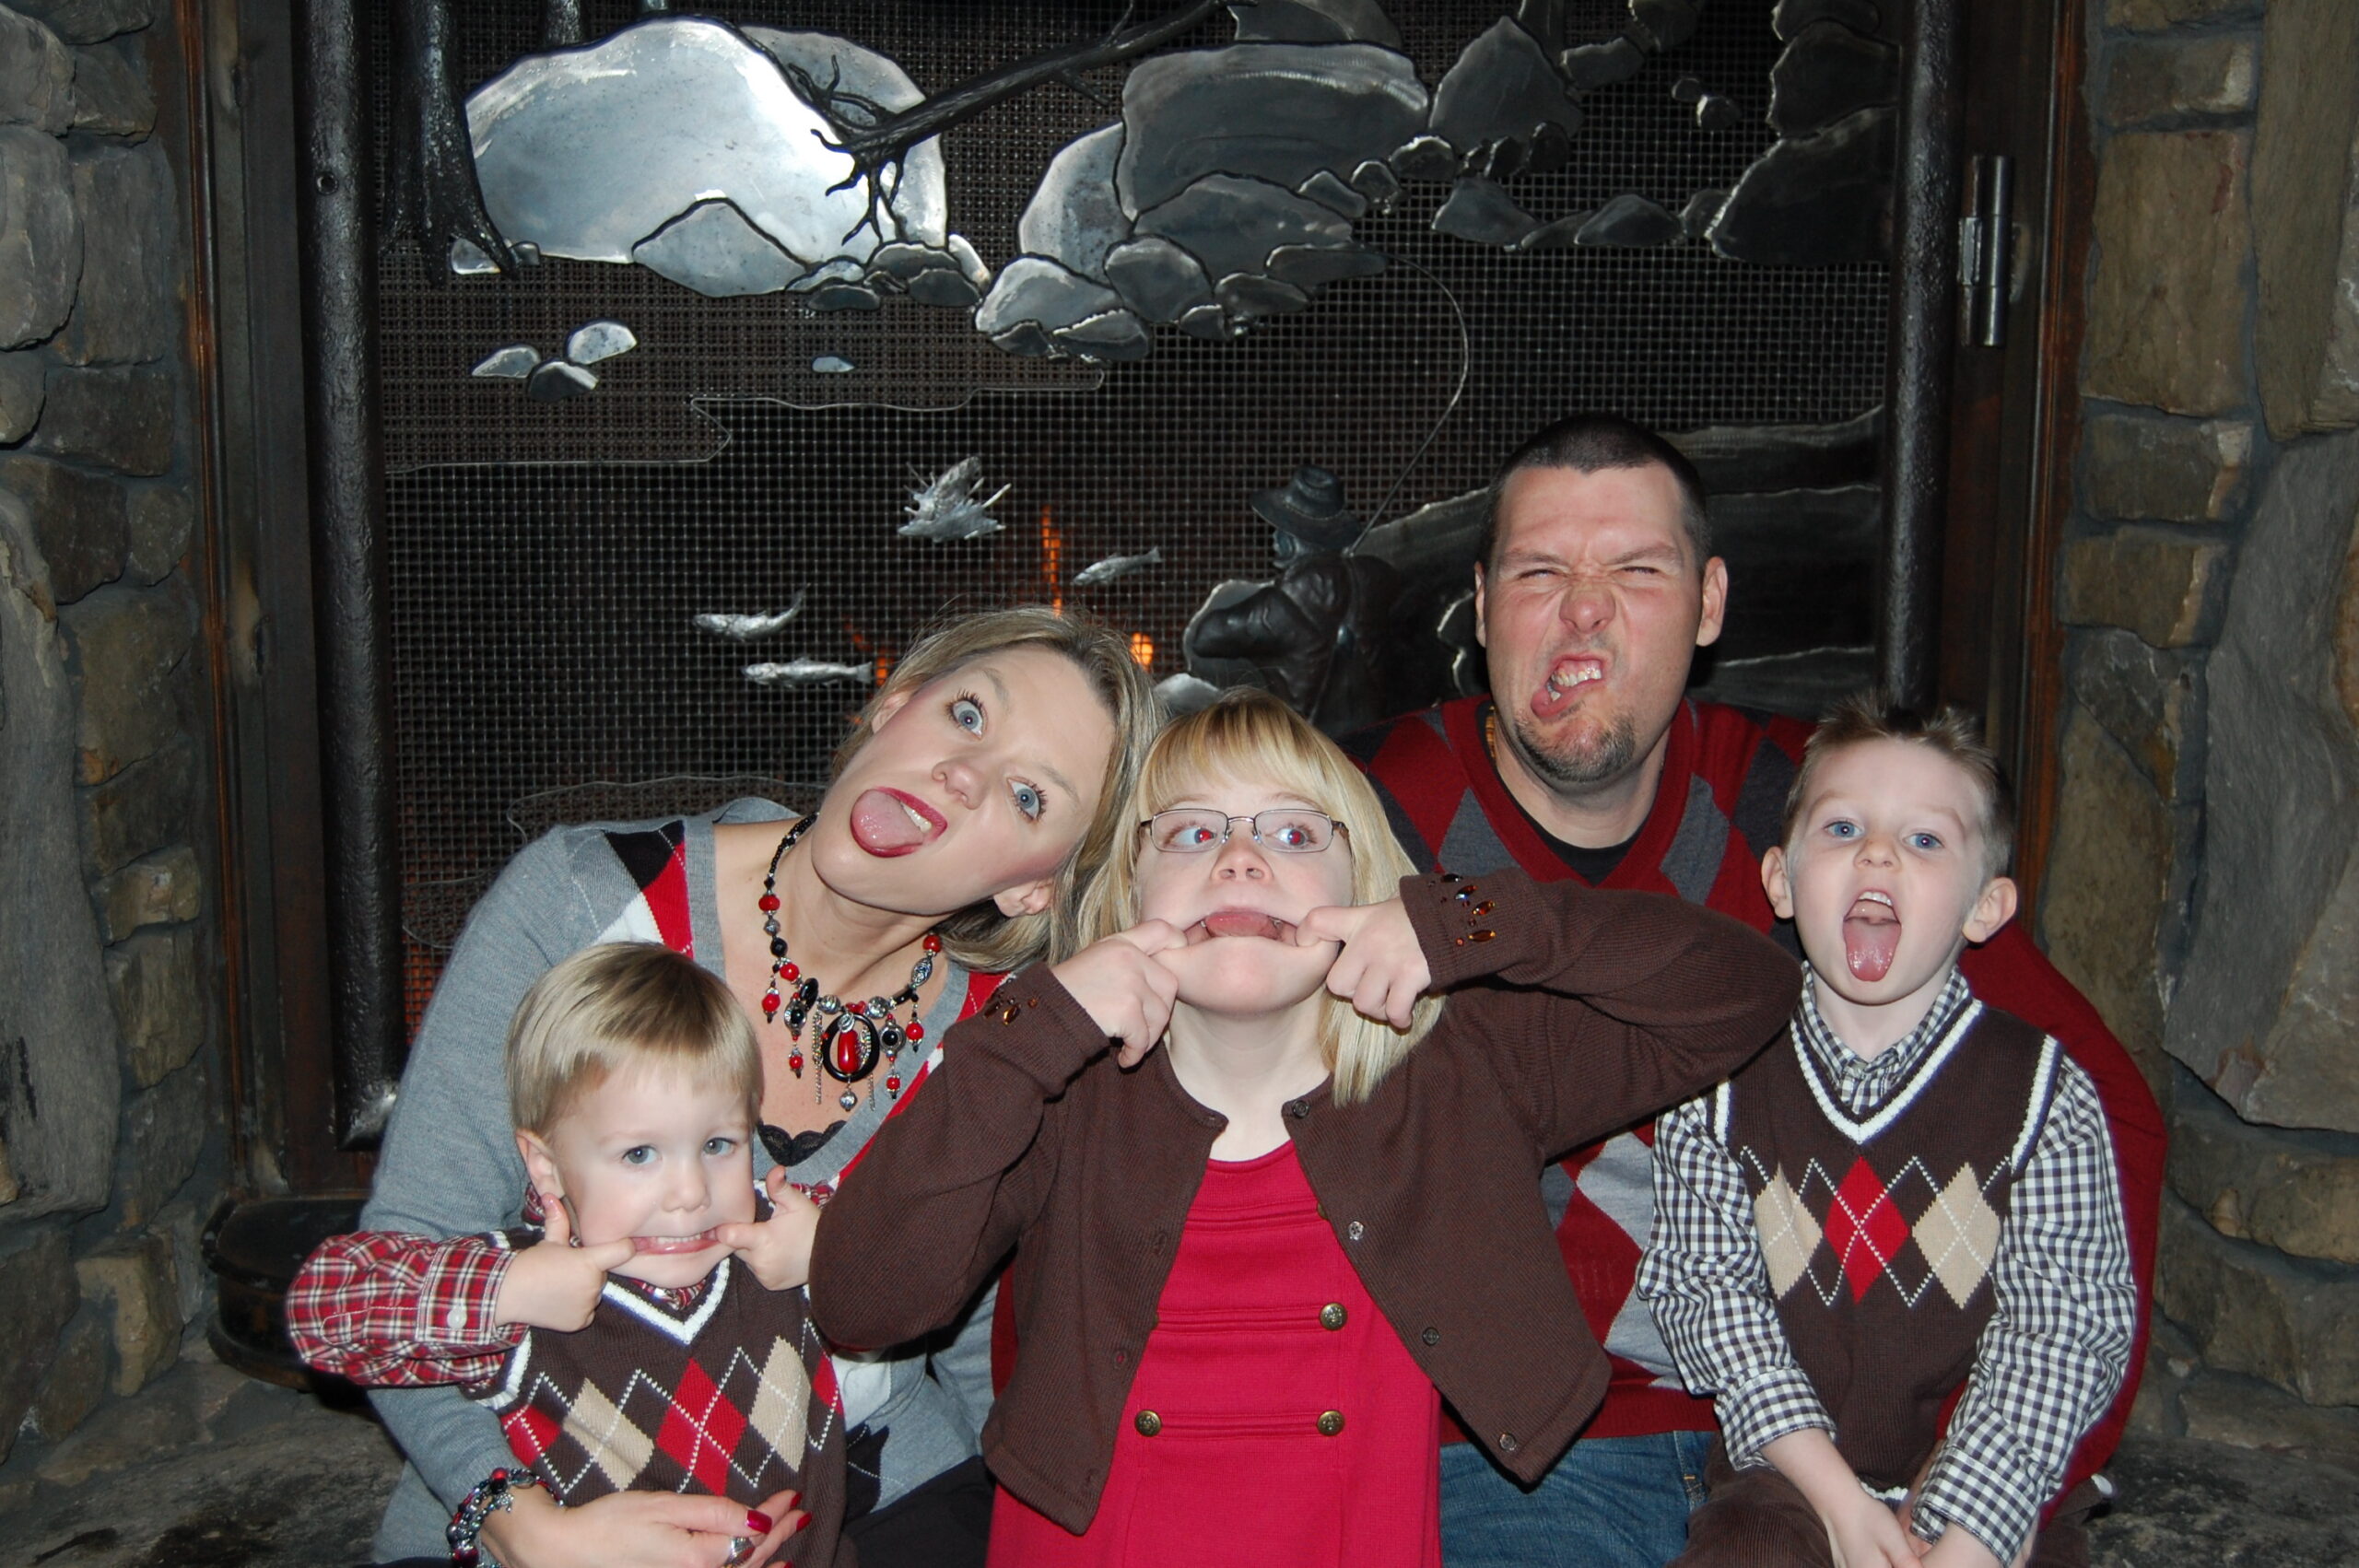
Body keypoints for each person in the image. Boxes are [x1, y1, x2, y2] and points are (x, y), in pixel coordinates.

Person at [1338, 414, 2164, 1568]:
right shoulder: (1368, 817)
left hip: (1843, 1430)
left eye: (1636, 570)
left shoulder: (1825, 814)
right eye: (1540, 573)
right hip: (1531, 1447)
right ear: (1480, 610)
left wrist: (2002, 1469)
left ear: (1710, 603)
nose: (1584, 611)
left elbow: (2091, 1109)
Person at [807, 689, 1801, 1568]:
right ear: (1124, 895)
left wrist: (1465, 923)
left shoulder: (1459, 1065)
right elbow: (864, 1300)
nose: (1239, 856)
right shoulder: (1059, 1087)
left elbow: (1741, 992)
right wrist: (1032, 1030)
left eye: (1292, 834)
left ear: (1365, 887)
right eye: (1192, 834)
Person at [361, 607, 1160, 1568]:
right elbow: (404, 1263)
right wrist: (520, 1523)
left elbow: (985, 1350)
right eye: (966, 716)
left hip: (864, 1499)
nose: (964, 772)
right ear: (891, 708)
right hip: (544, 1489)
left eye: (1028, 797)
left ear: (1037, 889)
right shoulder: (581, 904)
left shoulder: (995, 1048)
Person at [1638, 697, 2136, 1568]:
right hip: (1787, 1472)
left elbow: (2062, 1330)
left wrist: (1972, 1532)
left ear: (1986, 906)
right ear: (1782, 881)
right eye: (1842, 828)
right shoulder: (1716, 1075)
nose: (1877, 853)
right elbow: (1707, 1296)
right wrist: (1835, 1500)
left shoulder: (2042, 1095)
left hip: (1984, 1472)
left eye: (1925, 841)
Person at [290, 944, 841, 1567]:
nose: (691, 1195)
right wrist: (506, 1290)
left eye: (718, 1144)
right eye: (640, 1154)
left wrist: (830, 1252)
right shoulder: (529, 1283)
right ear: (547, 1167)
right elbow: (324, 1311)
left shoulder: (783, 1243)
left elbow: (924, 1265)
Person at [1180, 465, 1401, 729]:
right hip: (1373, 738)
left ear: (1293, 540)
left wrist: (1245, 596)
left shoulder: (1278, 607)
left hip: (1305, 748)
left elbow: (1204, 637)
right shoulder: (1378, 583)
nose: (1273, 537)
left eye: (1280, 529)